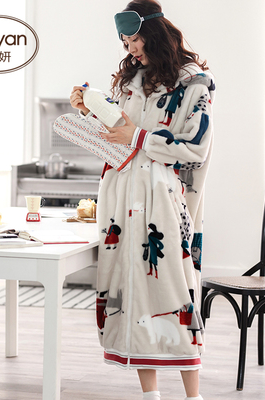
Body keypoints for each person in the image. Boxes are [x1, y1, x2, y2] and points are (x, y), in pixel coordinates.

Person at [70, 1, 215, 399]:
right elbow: (116, 137)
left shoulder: (194, 82)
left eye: (135, 40)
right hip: (120, 196)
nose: (131, 49)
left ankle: (193, 396)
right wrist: (88, 112)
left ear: (155, 34)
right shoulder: (129, 80)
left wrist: (137, 137)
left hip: (162, 199)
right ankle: (150, 395)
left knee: (173, 292)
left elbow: (195, 148)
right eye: (125, 42)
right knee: (129, 290)